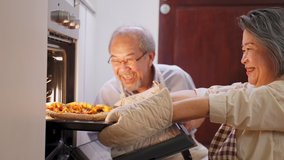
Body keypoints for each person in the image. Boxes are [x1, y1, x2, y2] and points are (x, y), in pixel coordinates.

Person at [100, 7, 284, 160]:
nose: (243, 59)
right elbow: (203, 94)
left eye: (250, 49)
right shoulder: (253, 89)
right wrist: (131, 106)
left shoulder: (279, 96)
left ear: (276, 49)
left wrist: (141, 118)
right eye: (243, 50)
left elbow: (206, 105)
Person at [80, 25, 207, 160]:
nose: (123, 68)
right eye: (115, 60)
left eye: (129, 59)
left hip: (181, 154)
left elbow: (199, 113)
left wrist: (192, 119)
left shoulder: (177, 78)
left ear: (150, 57)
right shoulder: (108, 93)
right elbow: (98, 141)